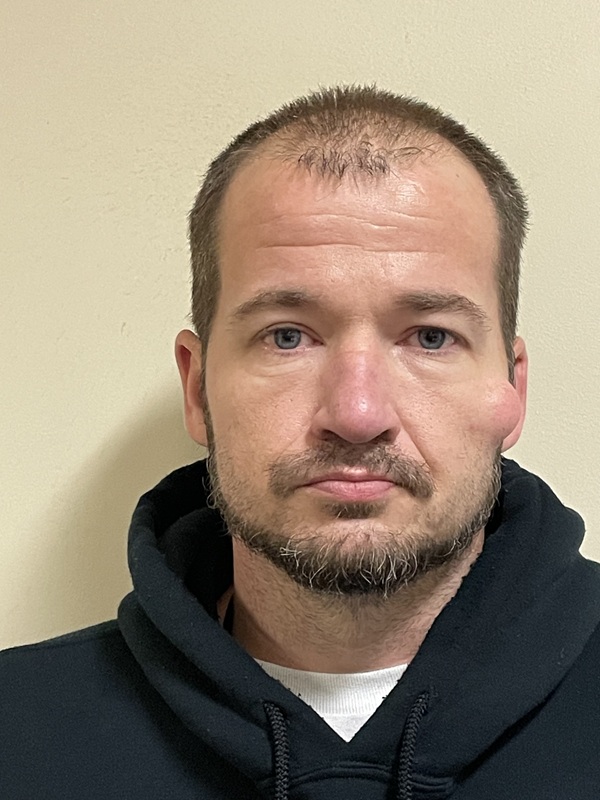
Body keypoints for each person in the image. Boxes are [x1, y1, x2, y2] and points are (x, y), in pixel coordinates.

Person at [2, 85, 600, 800]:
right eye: (287, 336)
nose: (356, 413)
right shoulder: (18, 734)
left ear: (512, 388)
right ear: (197, 389)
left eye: (431, 337)